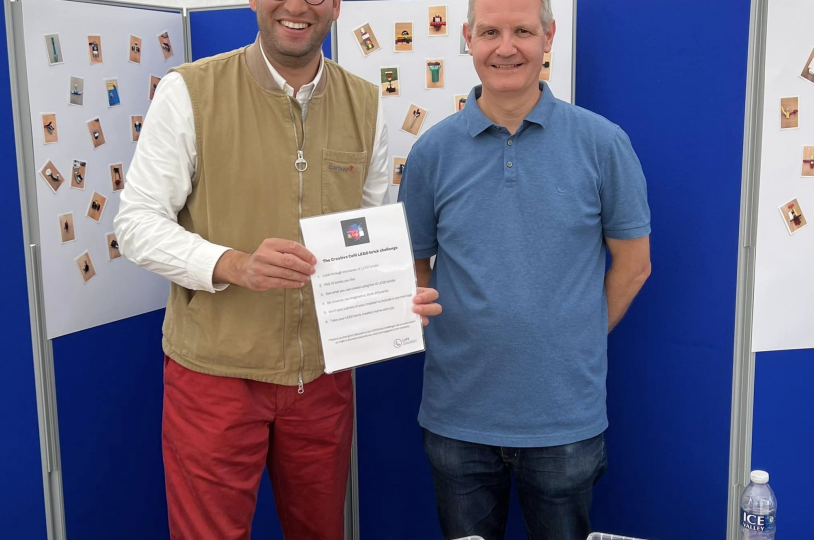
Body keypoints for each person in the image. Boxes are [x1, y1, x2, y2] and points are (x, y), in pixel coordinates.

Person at [113, 0, 441, 538]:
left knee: (319, 531)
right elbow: (137, 223)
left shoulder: (364, 102)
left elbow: (369, 229)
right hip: (215, 372)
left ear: (335, 5)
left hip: (321, 374)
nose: (296, 6)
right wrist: (232, 263)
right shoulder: (190, 91)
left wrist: (394, 297)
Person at [398, 0, 652, 538]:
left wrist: (573, 335)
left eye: (522, 31)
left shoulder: (603, 143)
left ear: (549, 37)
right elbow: (412, 263)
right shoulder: (431, 152)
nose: (505, 47)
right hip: (457, 415)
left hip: (564, 417)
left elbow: (633, 266)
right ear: (467, 38)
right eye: (489, 32)